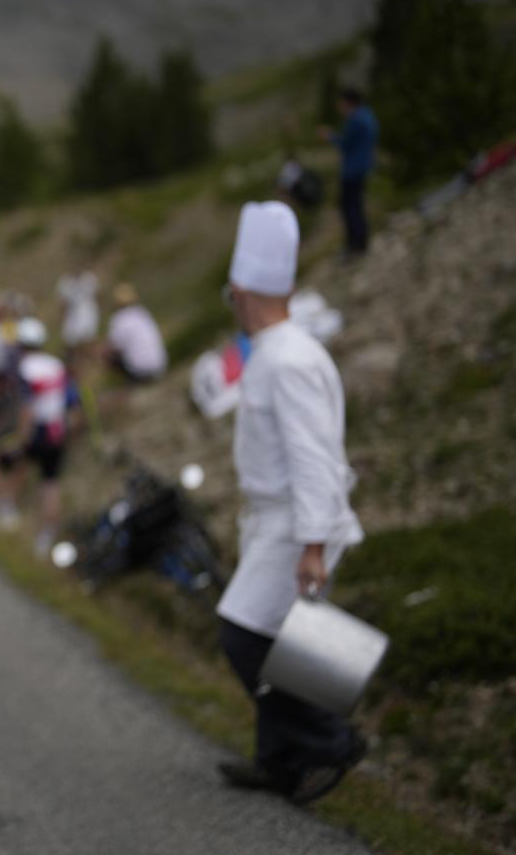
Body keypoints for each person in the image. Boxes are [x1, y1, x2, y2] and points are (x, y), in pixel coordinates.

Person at [216, 201, 367, 804]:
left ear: (240, 290)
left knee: (245, 635)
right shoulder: (279, 351)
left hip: (295, 522)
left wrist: (312, 545)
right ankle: (279, 761)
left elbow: (313, 459)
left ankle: (331, 740)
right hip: (279, 519)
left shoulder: (288, 359)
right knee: (276, 639)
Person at [0, 318, 72, 559]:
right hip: (57, 430)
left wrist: (20, 440)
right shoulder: (55, 365)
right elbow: (69, 399)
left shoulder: (24, 368)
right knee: (50, 483)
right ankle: (47, 534)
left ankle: (8, 513)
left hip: (37, 430)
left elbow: (27, 408)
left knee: (16, 466)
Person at [318, 87, 378, 257]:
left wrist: (329, 136)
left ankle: (355, 245)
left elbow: (344, 144)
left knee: (350, 207)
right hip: (363, 166)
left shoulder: (356, 120)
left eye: (342, 102)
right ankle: (360, 242)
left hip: (352, 170)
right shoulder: (367, 115)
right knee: (356, 206)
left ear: (348, 102)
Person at [106, 282, 167, 383]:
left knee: (111, 357)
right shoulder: (142, 312)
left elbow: (113, 348)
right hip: (160, 366)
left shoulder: (118, 319)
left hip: (138, 370)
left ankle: (130, 382)